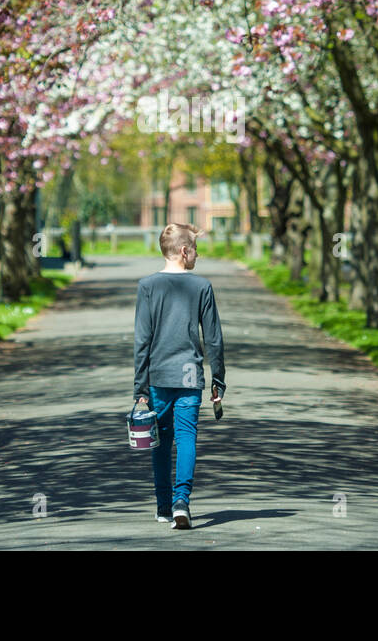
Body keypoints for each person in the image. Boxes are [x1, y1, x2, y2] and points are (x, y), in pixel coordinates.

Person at [133, 223, 226, 530]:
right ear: (184, 251)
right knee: (187, 438)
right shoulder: (202, 287)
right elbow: (213, 339)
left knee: (160, 441)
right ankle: (180, 501)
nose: (197, 255)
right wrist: (218, 380)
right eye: (195, 249)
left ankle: (162, 506)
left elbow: (142, 340)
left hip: (158, 376)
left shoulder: (147, 286)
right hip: (190, 377)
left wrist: (140, 389)